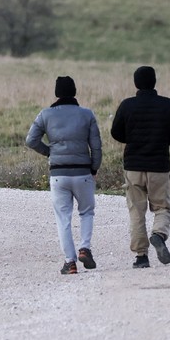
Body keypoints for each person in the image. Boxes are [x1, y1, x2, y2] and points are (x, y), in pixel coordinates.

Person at [25, 75, 102, 275]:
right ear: (74, 91)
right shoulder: (87, 114)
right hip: (83, 172)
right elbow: (96, 146)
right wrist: (94, 168)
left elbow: (31, 140)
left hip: (58, 174)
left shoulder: (45, 114)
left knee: (63, 219)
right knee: (86, 212)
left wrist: (50, 152)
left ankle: (70, 262)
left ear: (57, 93)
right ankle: (85, 247)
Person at [110, 66, 170, 269]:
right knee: (162, 207)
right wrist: (160, 140)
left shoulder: (127, 105)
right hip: (159, 166)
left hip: (133, 166)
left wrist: (132, 139)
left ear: (136, 83)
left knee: (136, 211)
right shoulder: (167, 105)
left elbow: (116, 133)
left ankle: (141, 256)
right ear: (154, 82)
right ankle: (159, 234)